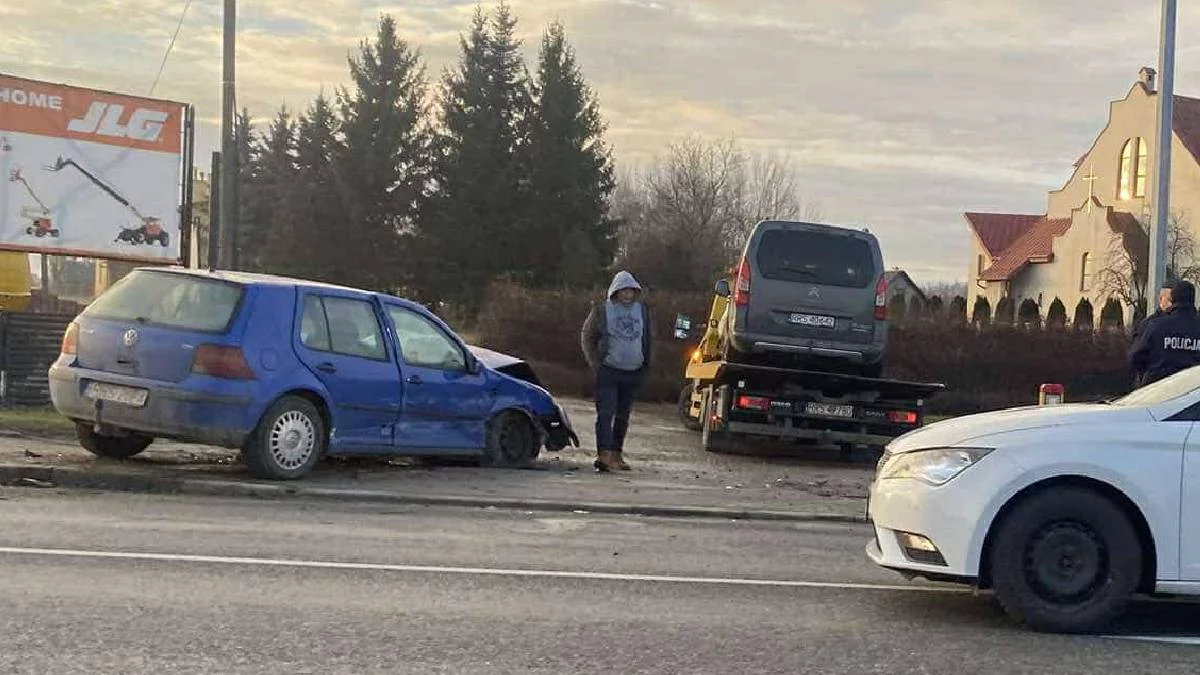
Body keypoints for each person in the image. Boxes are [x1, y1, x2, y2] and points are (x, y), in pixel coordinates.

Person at [580, 271, 653, 472]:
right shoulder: (602, 310)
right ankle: (603, 455)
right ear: (616, 291)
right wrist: (596, 364)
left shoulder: (642, 310)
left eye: (631, 290)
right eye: (623, 290)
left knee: (623, 415)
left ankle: (616, 454)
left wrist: (646, 364)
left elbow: (647, 339)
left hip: (633, 370)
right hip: (609, 371)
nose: (627, 295)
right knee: (606, 413)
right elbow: (587, 337)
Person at [1129, 280, 1200, 388]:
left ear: (1172, 299)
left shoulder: (1156, 325)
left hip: (1157, 392)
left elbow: (1135, 357)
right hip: (1190, 394)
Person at [1130, 284, 1173, 387]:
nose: (1171, 304)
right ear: (1160, 299)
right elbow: (1136, 354)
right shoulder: (1149, 324)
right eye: (1169, 300)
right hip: (1151, 384)